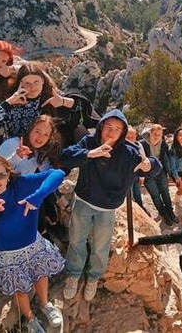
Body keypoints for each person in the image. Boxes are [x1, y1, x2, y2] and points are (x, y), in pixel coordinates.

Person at [60, 109, 161, 301]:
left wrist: (149, 166)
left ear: (123, 131)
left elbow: (154, 167)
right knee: (76, 240)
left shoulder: (129, 153)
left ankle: (93, 278)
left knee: (101, 246)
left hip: (107, 208)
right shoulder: (90, 143)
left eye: (117, 128)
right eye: (108, 127)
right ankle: (73, 275)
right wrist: (90, 154)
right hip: (83, 201)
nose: (111, 132)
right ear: (101, 127)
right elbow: (66, 156)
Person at [0, 156, 66, 333]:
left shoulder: (21, 185)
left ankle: (45, 304)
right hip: (9, 257)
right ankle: (30, 319)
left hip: (34, 245)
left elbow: (58, 174)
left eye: (0, 175)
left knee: (41, 274)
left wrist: (38, 197)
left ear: (8, 175)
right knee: (20, 291)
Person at [0, 62, 96, 146]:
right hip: (19, 152)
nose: (32, 87)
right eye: (27, 83)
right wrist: (9, 103)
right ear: (20, 84)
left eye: (36, 82)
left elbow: (84, 108)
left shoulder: (50, 95)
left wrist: (63, 101)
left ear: (42, 81)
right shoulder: (11, 102)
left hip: (46, 150)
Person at [0, 115, 65, 243]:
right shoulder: (11, 144)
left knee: (45, 196)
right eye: (38, 132)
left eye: (45, 134)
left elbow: (46, 171)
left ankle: (48, 227)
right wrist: (16, 156)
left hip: (25, 191)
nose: (40, 138)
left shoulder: (40, 151)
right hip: (8, 193)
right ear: (30, 129)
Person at [140, 123, 178, 225]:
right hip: (148, 173)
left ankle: (170, 212)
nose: (157, 136)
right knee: (155, 195)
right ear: (150, 133)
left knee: (165, 191)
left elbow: (166, 158)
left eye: (159, 134)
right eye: (155, 134)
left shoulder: (163, 144)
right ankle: (164, 214)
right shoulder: (142, 145)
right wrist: (141, 175)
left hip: (160, 171)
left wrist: (170, 173)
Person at [167, 128, 182, 210]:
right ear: (176, 137)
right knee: (181, 189)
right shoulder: (172, 149)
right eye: (180, 135)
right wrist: (176, 177)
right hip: (176, 171)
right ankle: (176, 201)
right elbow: (172, 165)